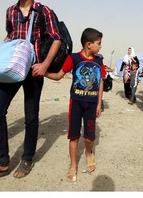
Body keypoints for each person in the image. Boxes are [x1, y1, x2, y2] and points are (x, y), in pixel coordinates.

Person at [0, 0, 62, 181]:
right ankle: (2, 162)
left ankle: (27, 158)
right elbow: (10, 37)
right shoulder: (10, 12)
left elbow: (56, 39)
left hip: (34, 70)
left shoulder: (44, 11)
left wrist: (44, 65)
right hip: (13, 69)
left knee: (31, 117)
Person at [45, 28, 105, 182]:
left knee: (90, 135)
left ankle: (89, 154)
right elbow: (59, 75)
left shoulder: (99, 61)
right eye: (99, 43)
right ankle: (73, 165)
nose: (101, 46)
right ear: (89, 44)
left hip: (92, 105)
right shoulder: (73, 58)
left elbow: (100, 83)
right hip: (76, 104)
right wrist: (43, 72)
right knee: (74, 135)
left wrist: (99, 104)